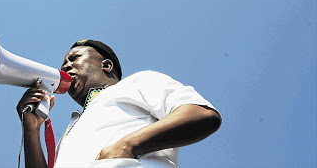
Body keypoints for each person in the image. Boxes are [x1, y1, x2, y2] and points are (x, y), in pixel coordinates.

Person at [16, 39, 222, 168]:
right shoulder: (72, 129)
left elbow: (201, 114)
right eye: (63, 64)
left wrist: (128, 145)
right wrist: (31, 130)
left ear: (106, 65)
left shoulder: (139, 82)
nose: (65, 66)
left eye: (74, 58)